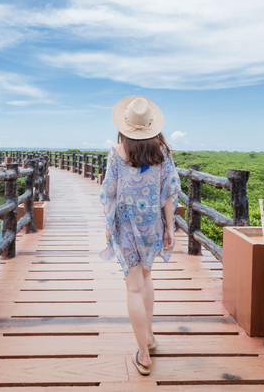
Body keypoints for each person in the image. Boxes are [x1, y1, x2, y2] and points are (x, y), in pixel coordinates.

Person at [99, 95, 181, 376]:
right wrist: (170, 227)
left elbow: (108, 193)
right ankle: (148, 336)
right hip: (152, 225)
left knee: (133, 286)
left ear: (126, 125)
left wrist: (108, 226)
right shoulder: (163, 154)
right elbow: (169, 193)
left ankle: (144, 355)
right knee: (146, 277)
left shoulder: (116, 152)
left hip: (125, 226)